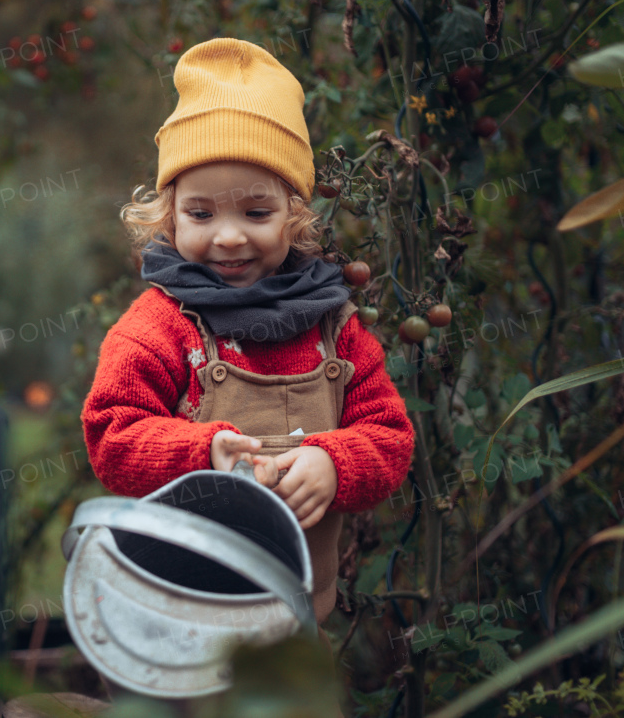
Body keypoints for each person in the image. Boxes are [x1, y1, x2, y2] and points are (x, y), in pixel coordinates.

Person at [79, 37, 416, 690]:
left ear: (294, 213)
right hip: (170, 631)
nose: (228, 235)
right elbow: (112, 434)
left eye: (256, 211)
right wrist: (205, 454)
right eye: (200, 213)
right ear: (168, 214)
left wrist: (332, 460)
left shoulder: (334, 330)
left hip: (292, 637)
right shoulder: (161, 324)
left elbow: (390, 437)